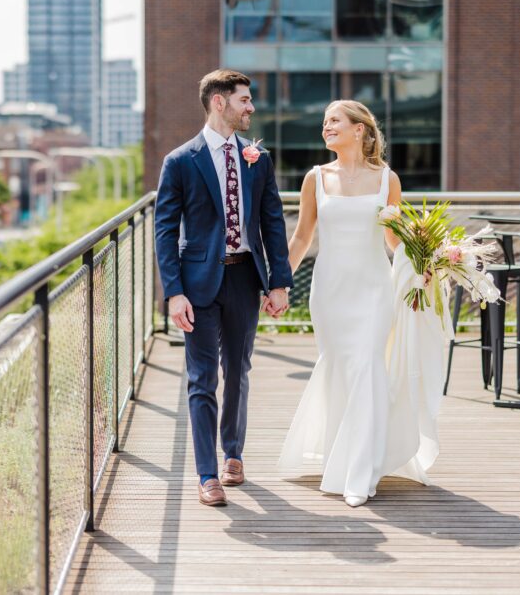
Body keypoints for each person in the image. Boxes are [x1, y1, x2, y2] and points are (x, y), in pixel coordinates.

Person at [154, 69, 293, 507]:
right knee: (201, 378)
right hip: (196, 284)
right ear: (219, 102)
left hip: (244, 276)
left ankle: (233, 454)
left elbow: (272, 222)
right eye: (244, 100)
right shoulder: (180, 161)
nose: (251, 107)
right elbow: (163, 229)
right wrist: (173, 290)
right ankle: (207, 474)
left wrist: (280, 282)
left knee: (238, 370)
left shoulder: (258, 159)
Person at [275, 99, 417, 507]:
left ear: (360, 129)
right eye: (324, 122)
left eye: (334, 120)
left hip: (374, 289)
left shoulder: (387, 179)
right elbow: (302, 237)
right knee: (340, 369)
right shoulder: (314, 178)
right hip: (330, 291)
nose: (326, 127)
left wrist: (422, 263)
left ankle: (358, 472)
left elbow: (393, 241)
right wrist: (279, 283)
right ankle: (343, 453)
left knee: (368, 366)